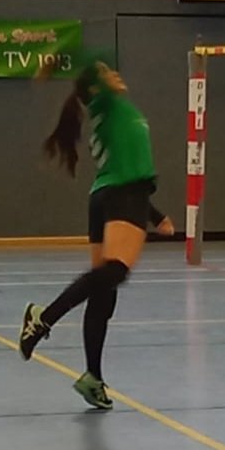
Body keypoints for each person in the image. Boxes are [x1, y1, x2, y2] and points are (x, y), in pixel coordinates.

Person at [19, 57, 157, 410]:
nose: (116, 74)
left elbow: (128, 162)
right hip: (123, 195)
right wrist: (58, 59)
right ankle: (43, 317)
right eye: (107, 72)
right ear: (96, 87)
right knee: (114, 272)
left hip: (108, 194)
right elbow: (89, 60)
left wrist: (154, 214)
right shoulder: (107, 104)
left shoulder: (113, 111)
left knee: (103, 288)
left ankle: (93, 376)